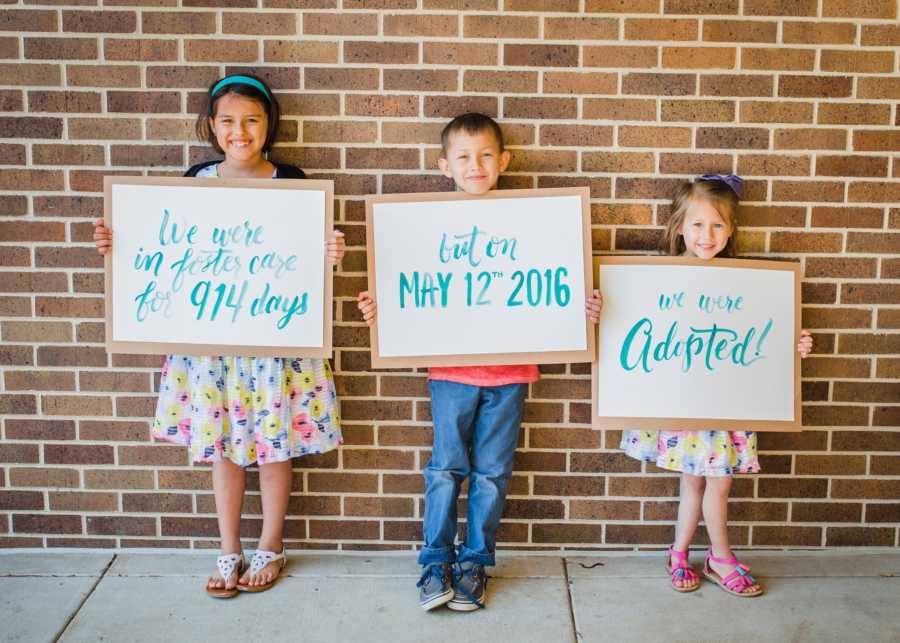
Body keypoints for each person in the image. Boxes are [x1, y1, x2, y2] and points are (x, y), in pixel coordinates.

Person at [94, 74, 345, 598]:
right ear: (212, 125)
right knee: (223, 448)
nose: (240, 130)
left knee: (277, 448)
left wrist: (330, 257)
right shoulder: (195, 181)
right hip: (211, 346)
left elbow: (306, 262)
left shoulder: (292, 181)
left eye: (252, 120)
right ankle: (228, 549)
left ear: (268, 125)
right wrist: (117, 241)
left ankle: (270, 546)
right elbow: (163, 251)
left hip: (277, 342)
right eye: (228, 120)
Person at [358, 113, 603, 611]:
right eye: (464, 156)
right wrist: (382, 311)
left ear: (504, 161)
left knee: (491, 472)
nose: (476, 165)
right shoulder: (425, 228)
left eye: (486, 155)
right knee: (445, 469)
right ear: (444, 164)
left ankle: (474, 560)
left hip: (510, 376)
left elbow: (558, 285)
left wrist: (584, 309)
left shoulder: (534, 223)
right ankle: (435, 562)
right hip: (450, 375)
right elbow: (406, 287)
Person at [619, 174, 813, 597]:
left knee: (718, 481)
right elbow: (628, 322)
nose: (707, 235)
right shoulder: (658, 279)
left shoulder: (745, 282)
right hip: (685, 399)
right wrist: (601, 308)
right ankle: (697, 555)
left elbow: (763, 336)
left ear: (731, 230)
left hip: (728, 400)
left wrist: (792, 344)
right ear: (679, 228)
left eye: (718, 225)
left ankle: (700, 555)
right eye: (697, 225)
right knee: (698, 481)